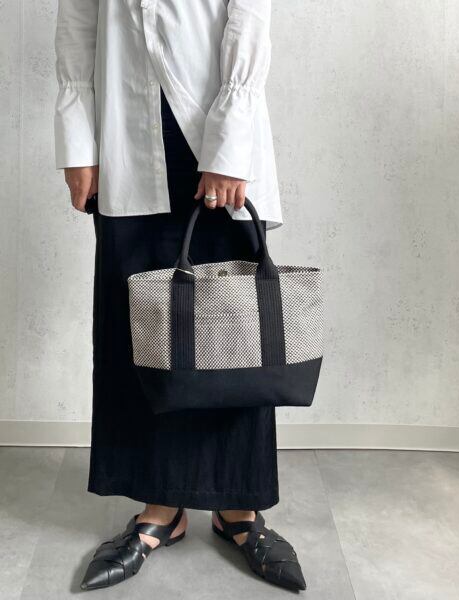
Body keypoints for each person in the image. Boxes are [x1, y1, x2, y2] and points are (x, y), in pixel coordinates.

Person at [53, 0, 306, 592]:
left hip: (208, 125)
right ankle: (160, 507)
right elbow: (78, 22)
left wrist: (230, 146)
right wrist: (78, 142)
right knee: (139, 326)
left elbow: (249, 17)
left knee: (232, 334)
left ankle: (238, 506)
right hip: (124, 131)